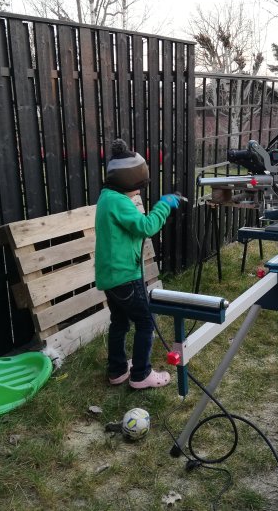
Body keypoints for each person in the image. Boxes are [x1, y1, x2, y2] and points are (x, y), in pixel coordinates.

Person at [94, 138, 181, 389]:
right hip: (125, 276)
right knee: (145, 322)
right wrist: (163, 206)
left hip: (110, 276)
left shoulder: (107, 198)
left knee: (119, 323)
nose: (140, 192)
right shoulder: (119, 202)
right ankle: (141, 374)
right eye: (139, 186)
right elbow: (147, 226)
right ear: (128, 181)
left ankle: (118, 370)